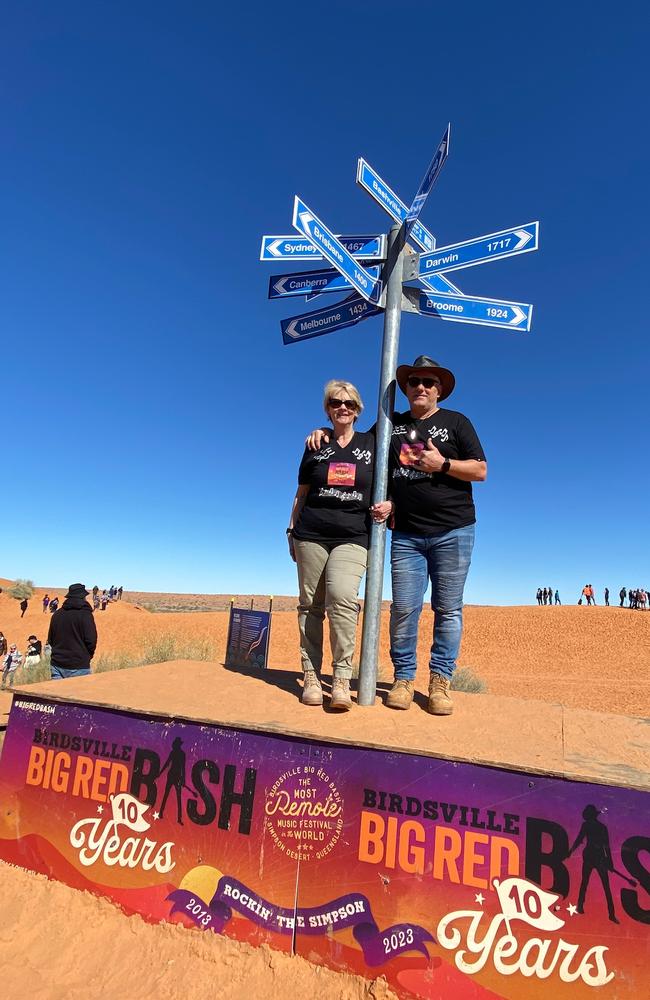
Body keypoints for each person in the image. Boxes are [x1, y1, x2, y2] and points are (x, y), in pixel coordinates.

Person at [311, 357, 487, 714]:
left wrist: (444, 465)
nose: (420, 387)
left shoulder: (456, 422)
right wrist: (326, 433)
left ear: (439, 390)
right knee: (404, 609)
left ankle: (440, 682)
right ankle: (404, 679)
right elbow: (356, 445)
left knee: (447, 609)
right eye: (414, 382)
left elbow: (481, 470)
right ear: (406, 389)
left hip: (454, 530)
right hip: (407, 534)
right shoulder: (391, 425)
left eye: (428, 382)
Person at [289, 380, 375, 711]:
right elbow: (302, 493)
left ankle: (341, 679)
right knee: (310, 604)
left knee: (341, 597)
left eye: (350, 403)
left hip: (353, 535)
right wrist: (291, 530)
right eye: (337, 402)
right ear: (328, 408)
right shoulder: (316, 445)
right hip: (310, 533)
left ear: (358, 410)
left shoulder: (372, 443)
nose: (343, 407)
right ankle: (311, 676)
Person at [46, 583, 97, 680]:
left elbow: (51, 639)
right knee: (78, 694)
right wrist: (87, 656)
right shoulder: (85, 615)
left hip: (57, 664)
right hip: (79, 665)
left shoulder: (57, 614)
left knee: (56, 694)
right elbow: (91, 640)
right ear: (83, 597)